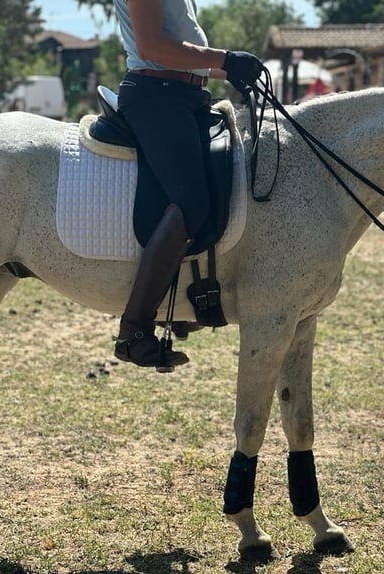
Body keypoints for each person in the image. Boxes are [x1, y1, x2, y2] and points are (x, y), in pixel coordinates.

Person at [112, 0, 262, 369]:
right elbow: (152, 47)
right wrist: (226, 59)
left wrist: (227, 72)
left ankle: (180, 304)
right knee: (191, 201)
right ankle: (134, 331)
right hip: (157, 97)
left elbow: (180, 44)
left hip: (186, 95)